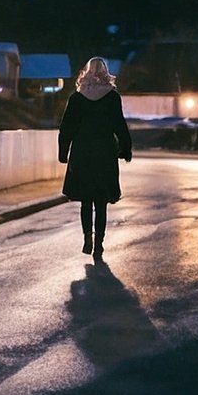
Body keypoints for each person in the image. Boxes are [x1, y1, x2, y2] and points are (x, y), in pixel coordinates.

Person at [58, 57, 132, 259]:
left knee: (86, 200)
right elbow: (120, 126)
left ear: (86, 72)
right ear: (105, 73)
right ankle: (99, 242)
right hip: (105, 153)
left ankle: (87, 237)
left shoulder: (77, 98)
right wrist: (126, 149)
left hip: (82, 153)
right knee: (101, 202)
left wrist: (63, 153)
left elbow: (66, 128)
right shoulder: (112, 97)